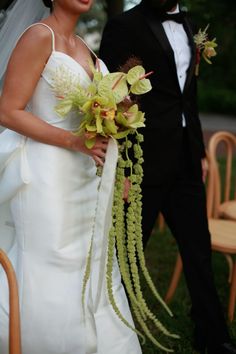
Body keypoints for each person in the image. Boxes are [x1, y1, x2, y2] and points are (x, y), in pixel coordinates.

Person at [0, 0, 142, 353]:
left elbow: (97, 123)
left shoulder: (85, 49)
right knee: (51, 260)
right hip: (46, 175)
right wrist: (72, 140)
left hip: (83, 177)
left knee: (90, 260)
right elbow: (8, 110)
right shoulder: (38, 36)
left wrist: (116, 159)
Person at [100, 1, 236, 353]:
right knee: (129, 254)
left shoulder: (188, 24)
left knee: (198, 250)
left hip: (186, 161)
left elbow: (186, 95)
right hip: (143, 162)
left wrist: (199, 150)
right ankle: (114, 332)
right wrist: (124, 168)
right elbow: (111, 98)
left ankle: (214, 336)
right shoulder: (123, 26)